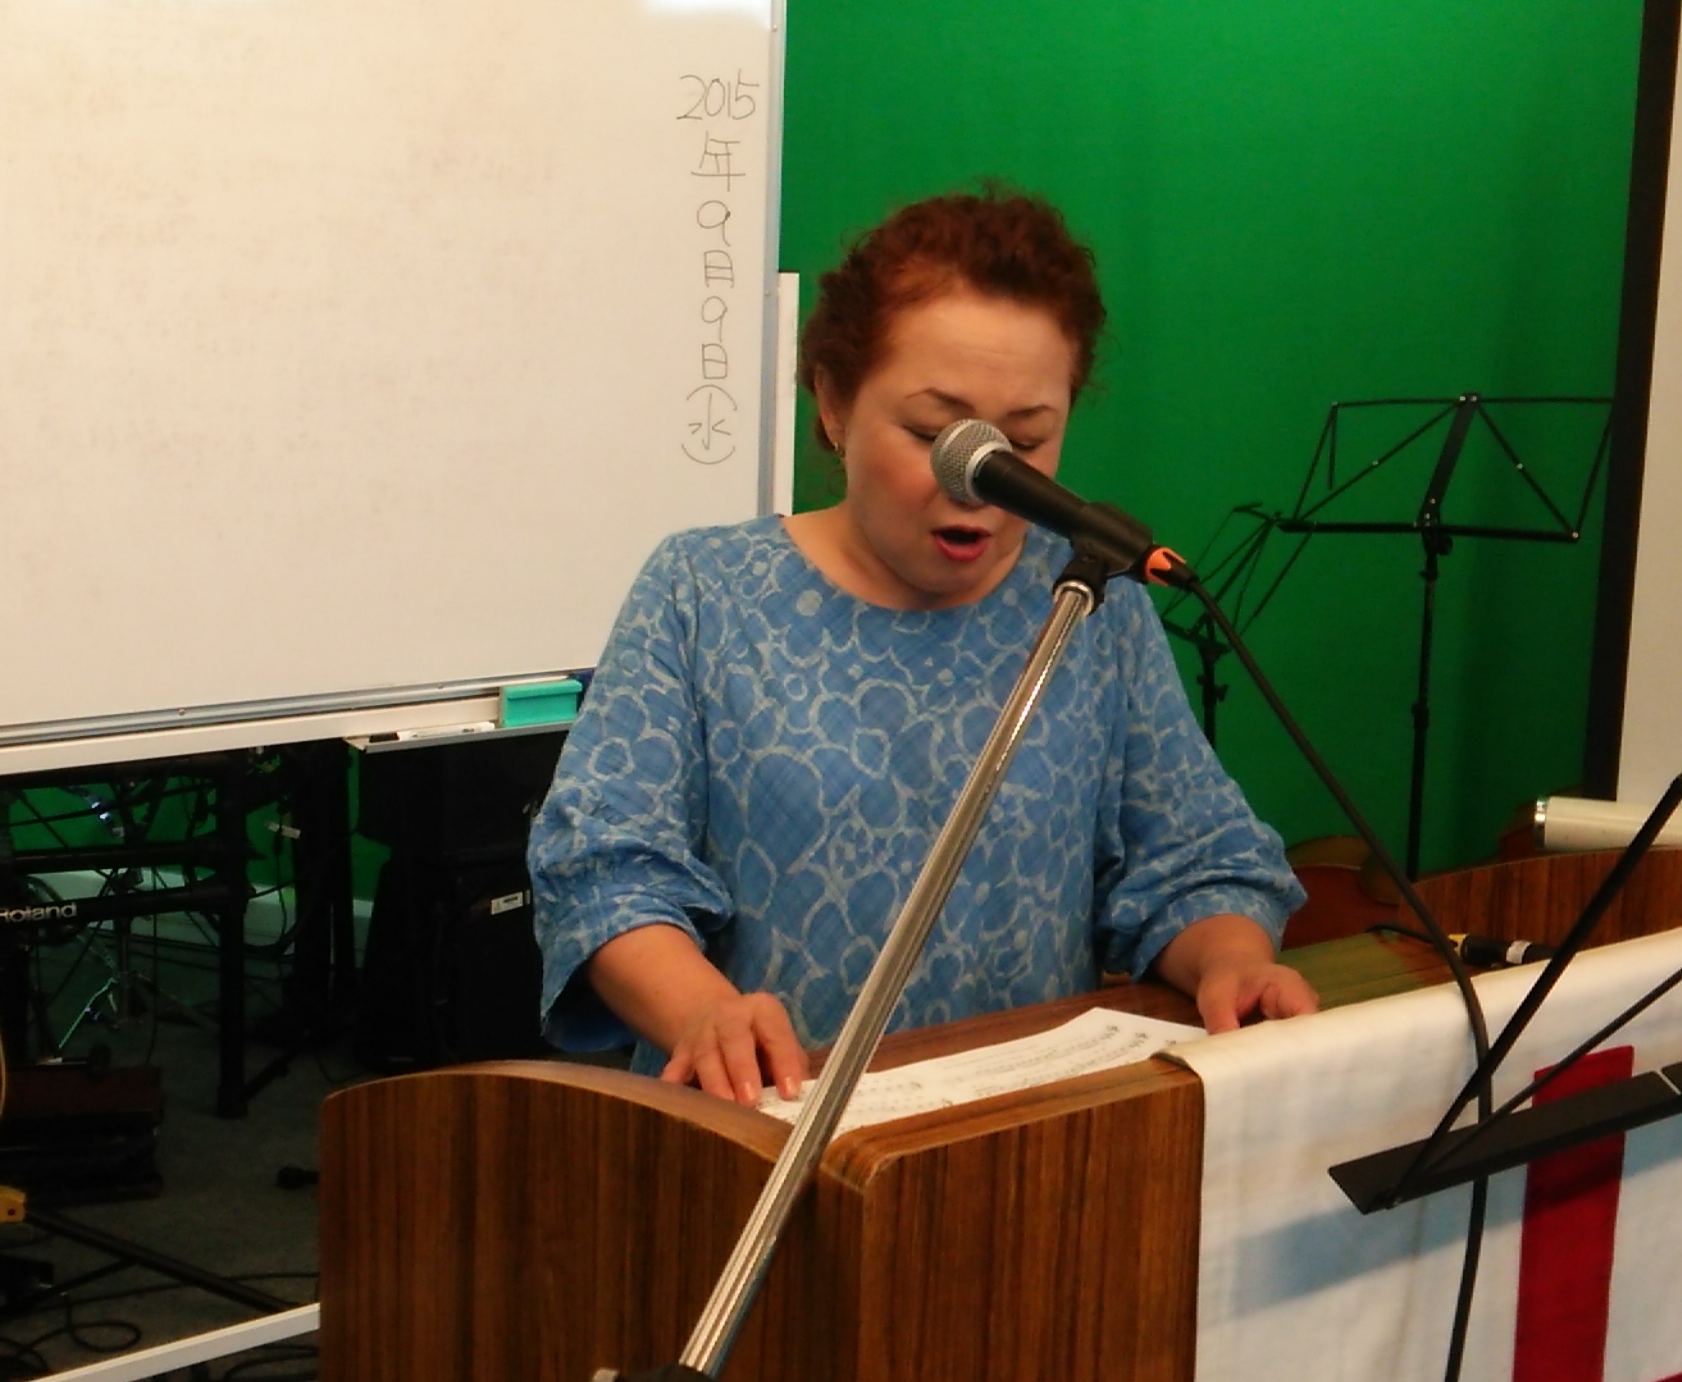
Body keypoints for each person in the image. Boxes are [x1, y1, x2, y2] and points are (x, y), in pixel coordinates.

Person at [528, 191, 1315, 1104]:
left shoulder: (1091, 604)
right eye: (938, 437)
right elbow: (605, 871)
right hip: (771, 1130)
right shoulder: (703, 593)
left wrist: (1230, 960)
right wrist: (703, 1011)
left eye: (1026, 442)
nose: (981, 484)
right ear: (834, 402)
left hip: (1024, 1134)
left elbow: (1195, 858)